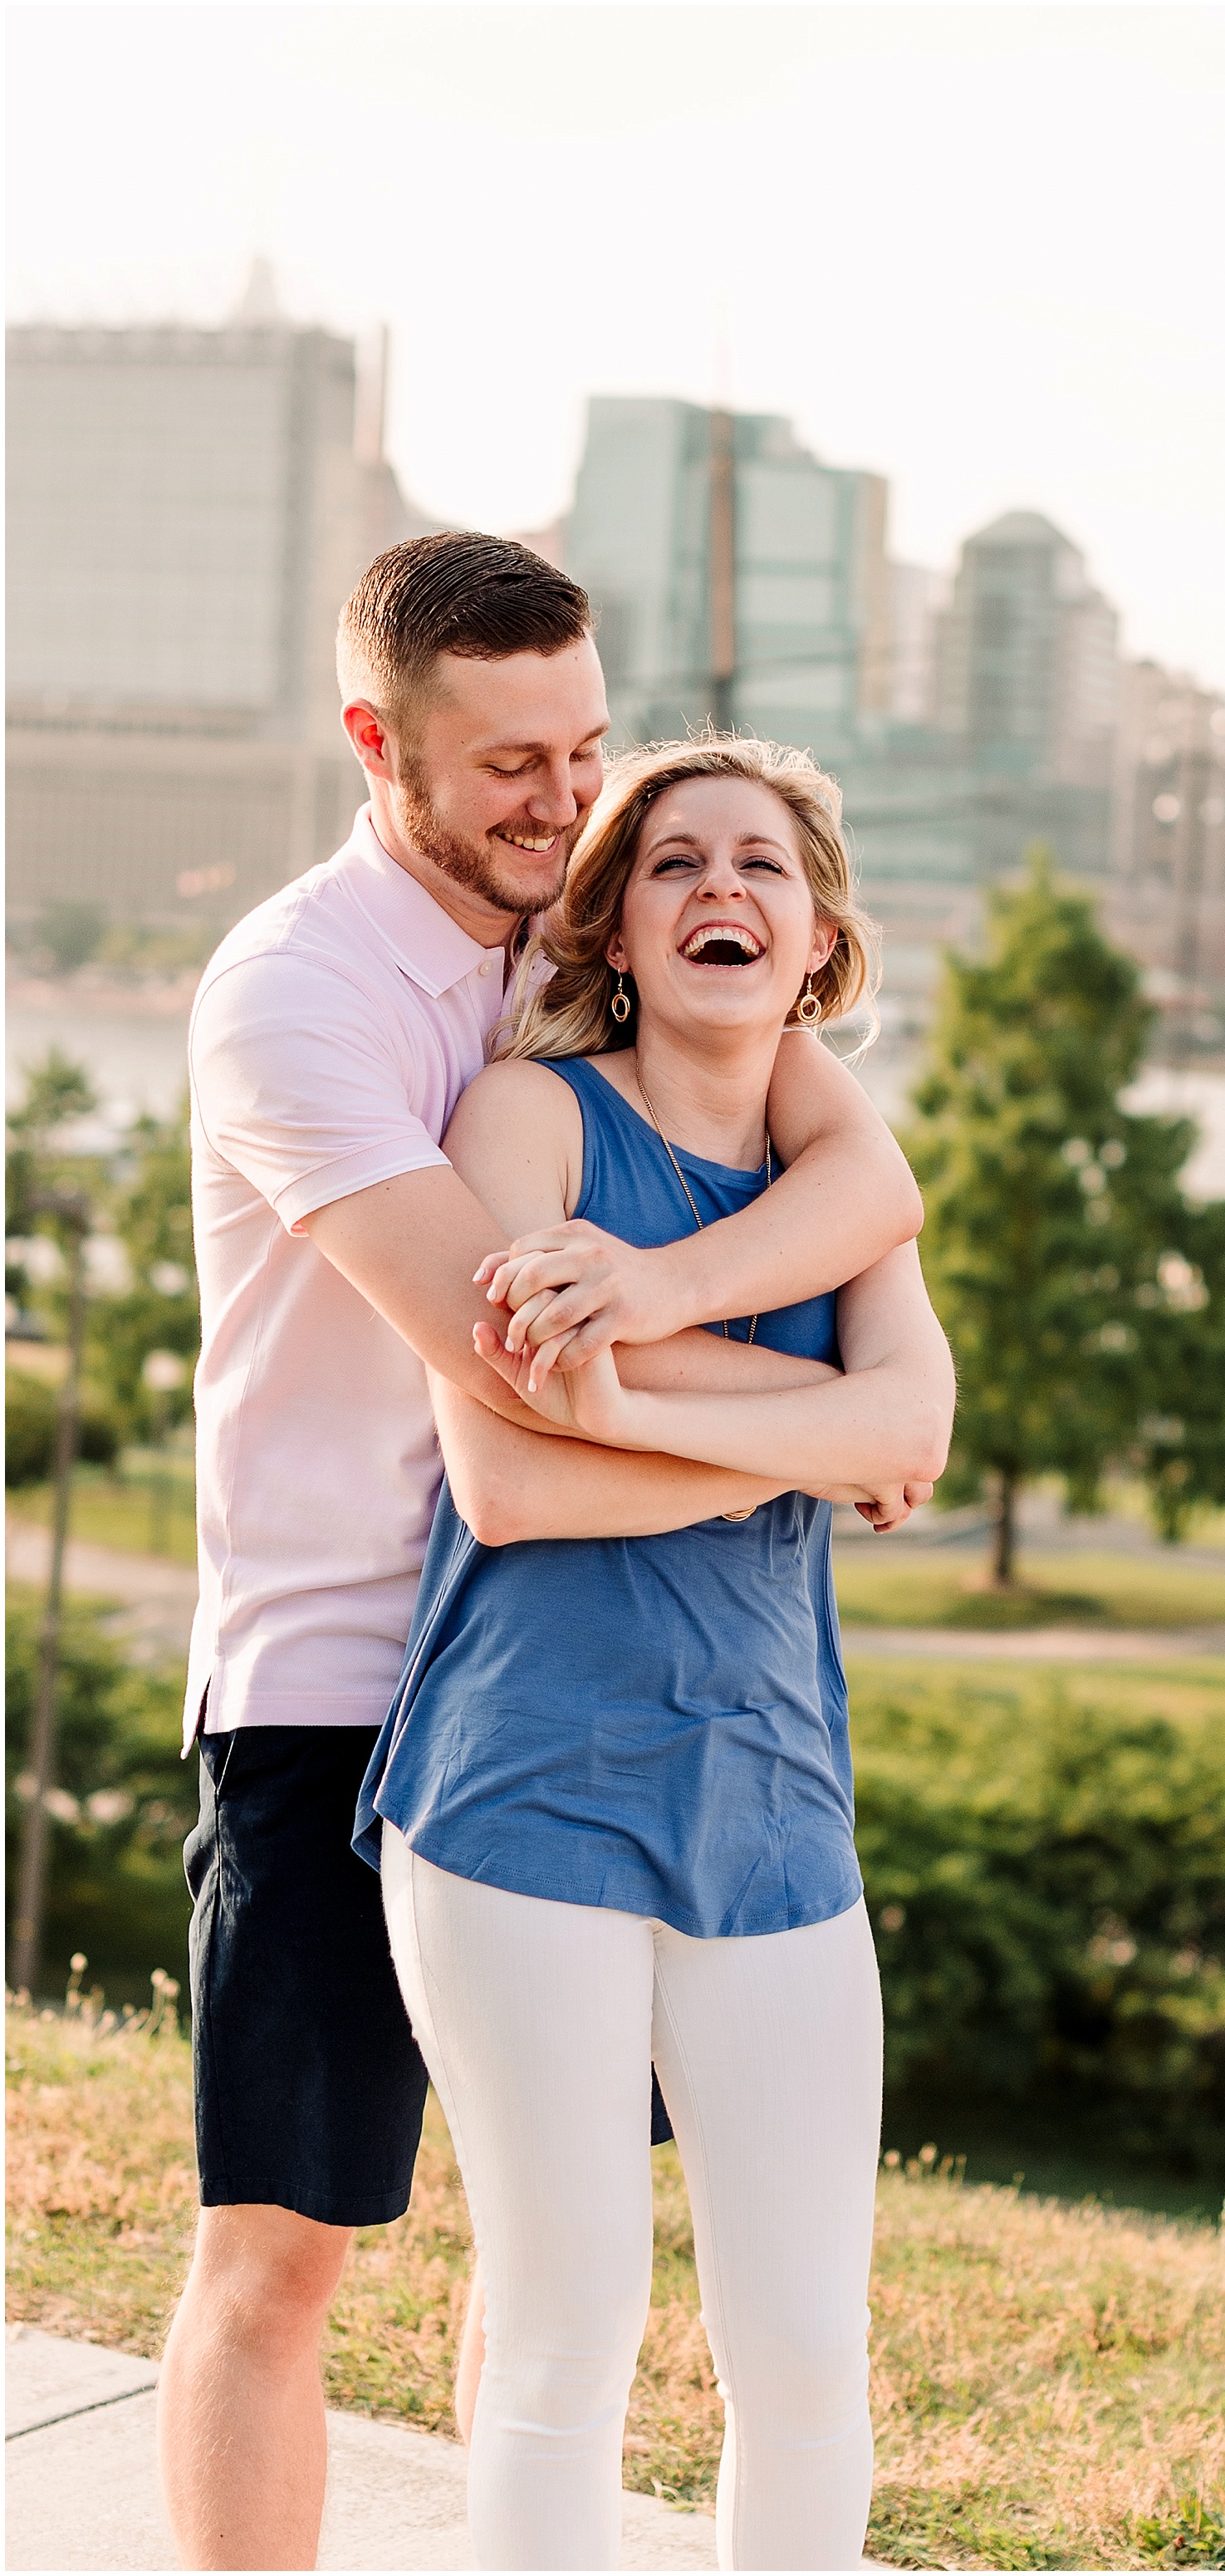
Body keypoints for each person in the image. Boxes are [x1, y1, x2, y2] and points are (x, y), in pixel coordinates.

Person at [158, 535, 925, 2574]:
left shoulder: (599, 935)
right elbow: (504, 1388)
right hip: (344, 1679)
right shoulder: (296, 993)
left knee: (554, 2280)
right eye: (507, 763)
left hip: (604, 1676)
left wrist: (678, 1303)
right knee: (282, 2256)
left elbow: (862, 1173)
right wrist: (808, 1444)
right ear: (376, 744)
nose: (557, 800)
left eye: (583, 747)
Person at [354, 733, 955, 2573]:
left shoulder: (845, 1156)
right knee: (563, 2328)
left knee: (800, 2351)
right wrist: (805, 1420)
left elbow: (908, 1433)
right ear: (612, 921)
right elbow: (515, 1476)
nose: (720, 890)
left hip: (771, 1800)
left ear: (818, 939)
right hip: (520, 1788)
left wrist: (649, 1341)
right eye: (675, 861)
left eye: (761, 866)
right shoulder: (530, 1122)